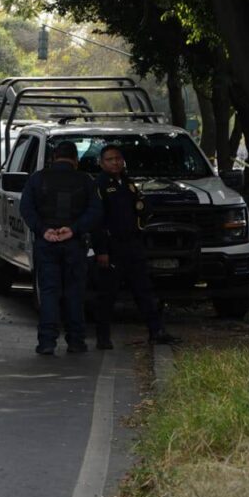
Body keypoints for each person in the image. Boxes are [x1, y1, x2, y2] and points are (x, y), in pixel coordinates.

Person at [91, 144, 180, 348]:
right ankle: (103, 338)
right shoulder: (99, 185)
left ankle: (156, 331)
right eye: (110, 159)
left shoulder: (128, 183)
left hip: (133, 245)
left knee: (144, 291)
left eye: (118, 158)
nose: (115, 162)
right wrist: (102, 250)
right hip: (112, 247)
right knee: (107, 295)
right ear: (101, 163)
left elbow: (141, 208)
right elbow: (97, 222)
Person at [19, 141, 102, 355]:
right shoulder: (86, 180)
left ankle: (47, 342)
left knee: (48, 292)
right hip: (74, 243)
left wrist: (43, 229)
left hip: (46, 243)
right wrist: (73, 229)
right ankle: (76, 341)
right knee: (74, 293)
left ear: (53, 157)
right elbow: (95, 211)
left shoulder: (37, 179)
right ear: (76, 159)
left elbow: (26, 208)